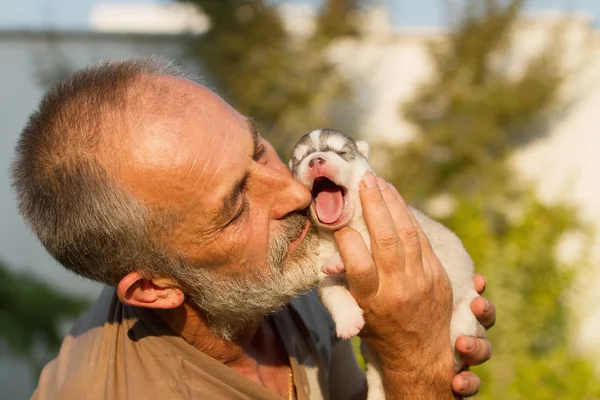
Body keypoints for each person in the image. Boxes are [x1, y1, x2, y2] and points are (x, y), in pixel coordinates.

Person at [12, 58, 495, 400]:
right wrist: (413, 368)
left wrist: (402, 339)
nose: (294, 194)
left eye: (258, 148)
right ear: (155, 289)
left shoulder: (267, 273)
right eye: (236, 205)